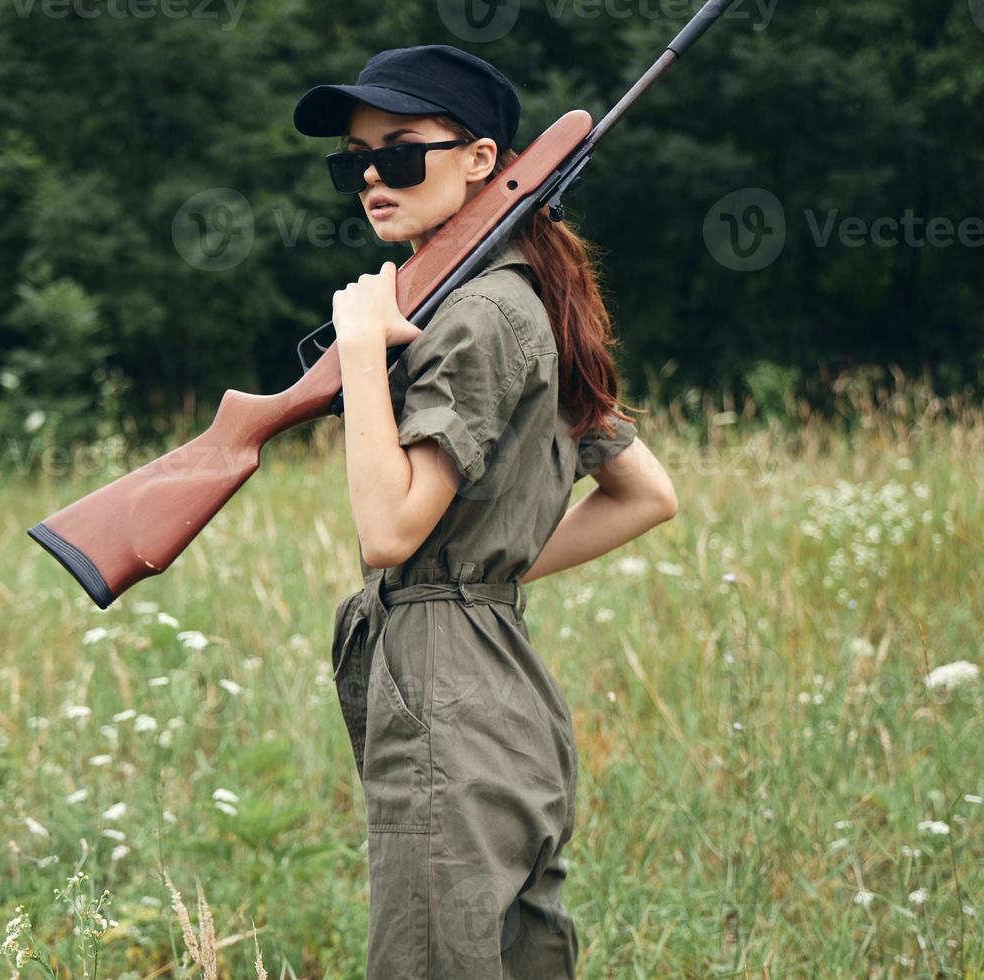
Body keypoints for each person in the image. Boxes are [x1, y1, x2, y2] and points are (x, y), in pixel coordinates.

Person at [294, 44, 679, 978]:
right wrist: (479, 577)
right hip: (504, 690)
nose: (372, 178)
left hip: (446, 694)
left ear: (480, 160)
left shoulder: (475, 318)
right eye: (355, 161)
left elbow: (389, 532)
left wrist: (358, 354)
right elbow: (647, 494)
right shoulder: (528, 299)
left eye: (401, 151)